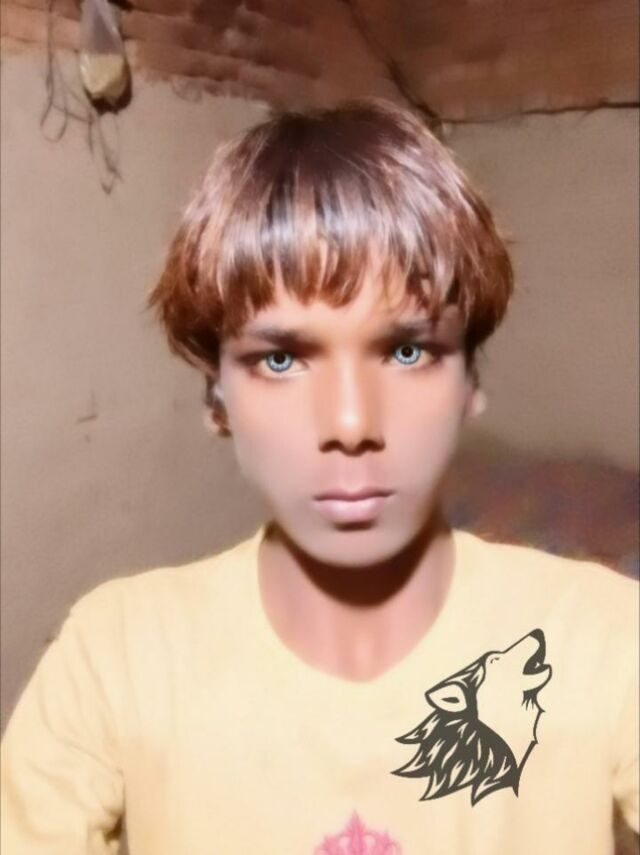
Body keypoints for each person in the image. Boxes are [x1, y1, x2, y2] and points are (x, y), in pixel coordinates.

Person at [1, 99, 637, 855]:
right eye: (281, 359)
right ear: (216, 399)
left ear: (470, 384)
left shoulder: (605, 638)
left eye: (407, 351)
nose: (350, 421)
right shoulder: (116, 657)